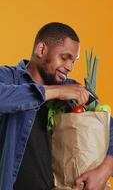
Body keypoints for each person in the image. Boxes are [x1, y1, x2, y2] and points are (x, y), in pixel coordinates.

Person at [0, 22, 113, 190]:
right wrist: (57, 92)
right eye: (64, 57)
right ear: (41, 49)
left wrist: (105, 169)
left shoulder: (73, 90)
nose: (69, 67)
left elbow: (108, 127)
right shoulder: (8, 77)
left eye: (73, 61)